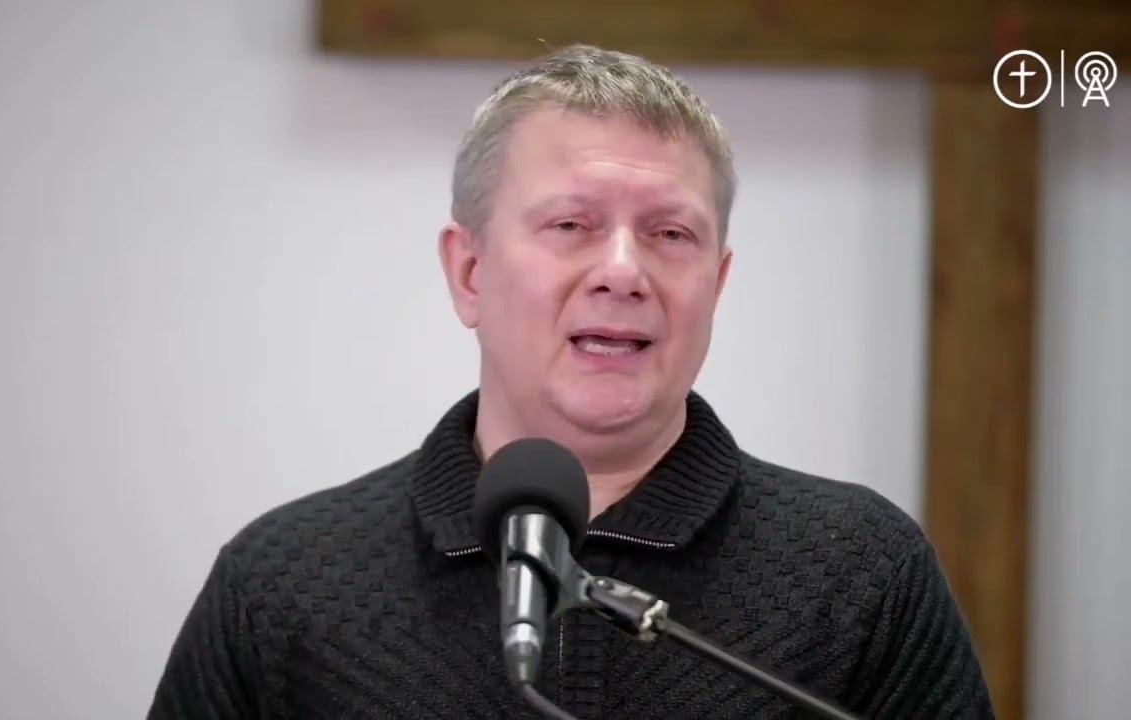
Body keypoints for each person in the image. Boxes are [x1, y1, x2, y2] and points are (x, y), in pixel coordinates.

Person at [149, 45, 994, 719]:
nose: (623, 271)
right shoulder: (285, 583)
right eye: (570, 225)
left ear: (717, 284)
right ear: (469, 272)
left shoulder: (860, 573)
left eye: (670, 234)